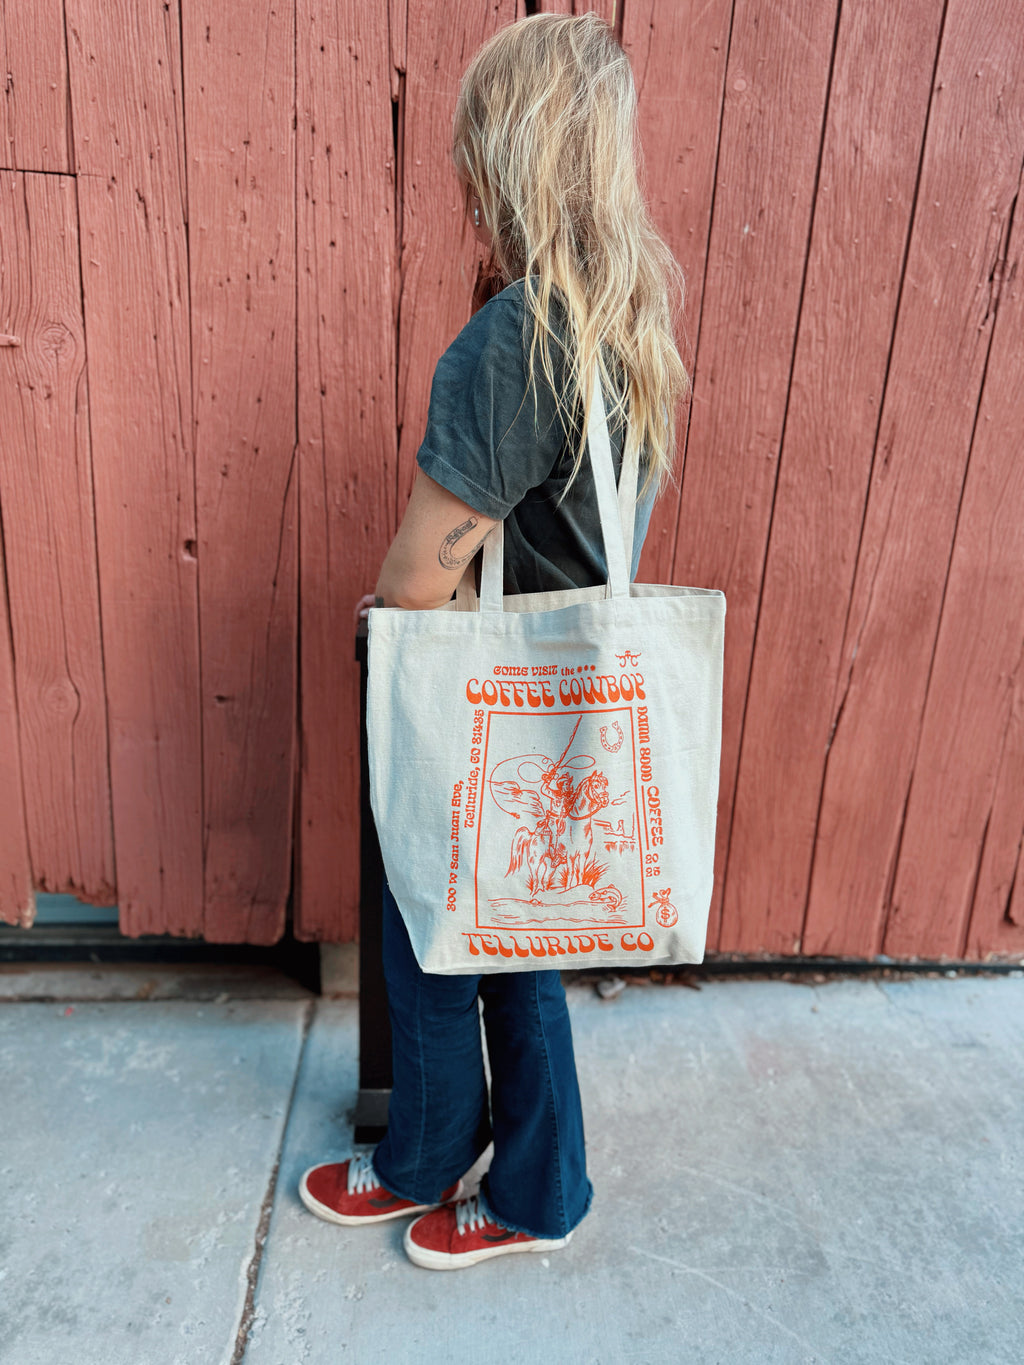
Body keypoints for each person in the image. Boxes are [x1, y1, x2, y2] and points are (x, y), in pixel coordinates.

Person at [299, 12, 688, 1271]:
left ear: (506, 159)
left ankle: (425, 1154)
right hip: (565, 701)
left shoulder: (515, 338)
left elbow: (429, 561)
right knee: (519, 937)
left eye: (474, 147)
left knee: (433, 922)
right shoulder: (630, 325)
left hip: (483, 697)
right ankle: (538, 1186)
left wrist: (386, 623)